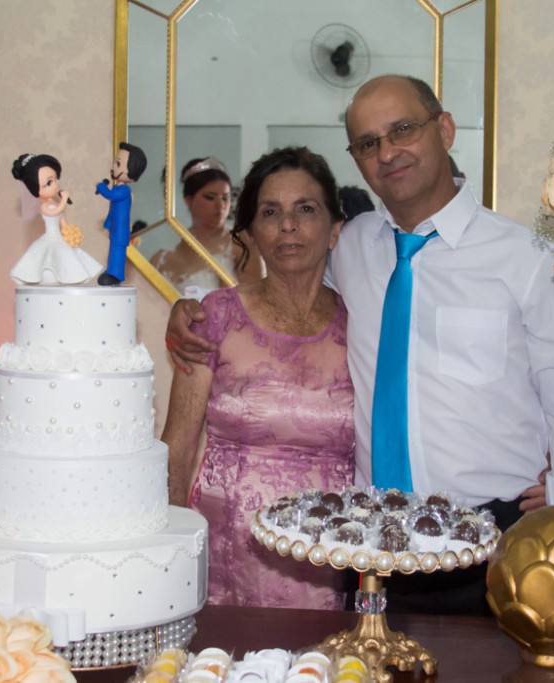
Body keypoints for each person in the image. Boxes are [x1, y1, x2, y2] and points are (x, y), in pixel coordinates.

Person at [167, 75, 554, 615]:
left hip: (493, 538)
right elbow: (283, 291)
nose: (387, 152)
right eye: (367, 143)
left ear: (444, 129)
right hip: (371, 545)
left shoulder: (529, 258)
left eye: (403, 130)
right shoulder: (354, 247)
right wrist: (187, 309)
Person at [162, 146, 355, 609]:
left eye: (305, 209)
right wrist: (167, 560)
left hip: (330, 560)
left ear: (334, 230)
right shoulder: (215, 317)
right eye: (270, 212)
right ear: (250, 232)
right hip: (225, 558)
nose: (288, 225)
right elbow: (178, 448)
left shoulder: (363, 325)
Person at [150, 157, 262, 296]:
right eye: (210, 197)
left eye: (225, 198)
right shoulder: (164, 255)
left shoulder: (241, 244)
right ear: (188, 199)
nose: (220, 205)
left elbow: (258, 299)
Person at [10, 153, 102, 285]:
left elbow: (61, 218)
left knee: (68, 257)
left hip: (60, 237)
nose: (55, 184)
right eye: (48, 183)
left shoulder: (54, 202)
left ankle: (67, 278)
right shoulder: (45, 206)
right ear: (36, 191)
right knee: (50, 258)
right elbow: (55, 212)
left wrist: (68, 231)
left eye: (55, 179)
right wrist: (64, 200)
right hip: (50, 237)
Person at [97, 141, 147, 286]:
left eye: (118, 164)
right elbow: (112, 210)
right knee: (113, 251)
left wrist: (101, 186)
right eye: (115, 163)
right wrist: (107, 224)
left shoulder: (124, 191)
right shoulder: (118, 188)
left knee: (117, 252)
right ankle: (111, 271)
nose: (114, 167)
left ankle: (116, 274)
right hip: (115, 229)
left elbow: (110, 195)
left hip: (120, 231)